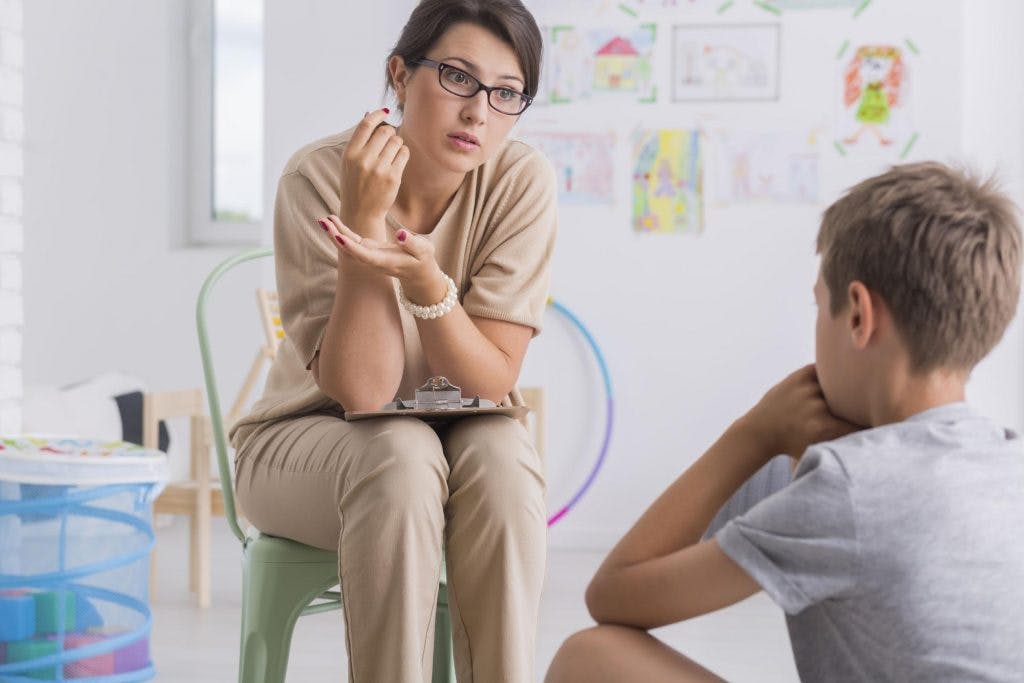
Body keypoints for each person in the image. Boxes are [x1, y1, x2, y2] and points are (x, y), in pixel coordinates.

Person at [546, 161, 1024, 682]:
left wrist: (752, 435)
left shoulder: (849, 487)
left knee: (591, 656)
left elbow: (612, 595)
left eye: (820, 307)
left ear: (859, 315)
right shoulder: (1008, 462)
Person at [229, 1, 556, 680]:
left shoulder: (521, 182)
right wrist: (363, 220)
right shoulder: (315, 178)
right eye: (459, 78)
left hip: (452, 433)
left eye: (506, 93)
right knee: (400, 453)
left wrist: (432, 287)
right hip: (303, 439)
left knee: (503, 451)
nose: (479, 113)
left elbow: (491, 381)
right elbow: (367, 391)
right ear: (400, 75)